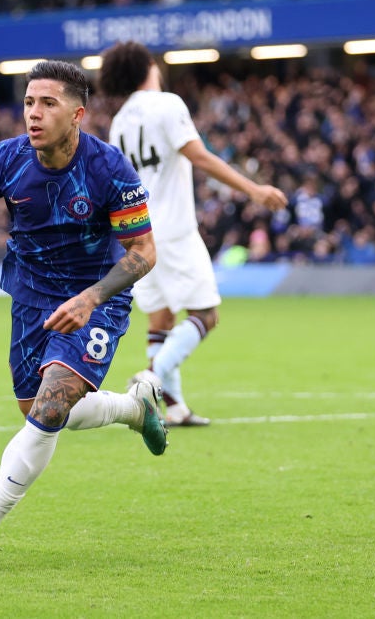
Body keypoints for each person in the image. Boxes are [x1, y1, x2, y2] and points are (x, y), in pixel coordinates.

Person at [0, 60, 168, 571]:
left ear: (77, 113)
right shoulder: (7, 158)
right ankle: (133, 408)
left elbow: (142, 252)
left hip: (96, 298)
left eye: (47, 103)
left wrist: (92, 298)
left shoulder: (109, 169)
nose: (34, 113)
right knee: (42, 411)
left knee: (51, 408)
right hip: (30, 296)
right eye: (29, 102)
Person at [99, 41, 289, 427]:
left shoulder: (120, 121)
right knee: (206, 314)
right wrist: (254, 189)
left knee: (161, 319)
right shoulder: (167, 104)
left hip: (137, 233)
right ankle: (151, 378)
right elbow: (198, 155)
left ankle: (175, 408)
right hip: (173, 229)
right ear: (147, 68)